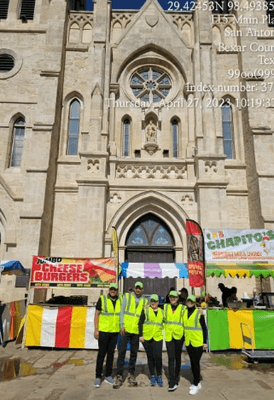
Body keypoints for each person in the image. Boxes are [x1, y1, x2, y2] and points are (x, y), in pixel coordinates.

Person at [113, 281, 148, 389]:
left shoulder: (144, 301)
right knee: (122, 352)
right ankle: (119, 376)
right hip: (126, 329)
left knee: (134, 354)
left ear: (142, 289)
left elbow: (145, 315)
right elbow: (122, 311)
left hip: (136, 331)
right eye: (136, 287)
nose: (138, 289)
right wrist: (122, 325)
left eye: (140, 288)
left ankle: (131, 375)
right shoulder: (127, 297)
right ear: (134, 288)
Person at [94, 282, 121, 388]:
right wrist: (96, 330)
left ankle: (108, 375)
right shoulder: (102, 299)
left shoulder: (120, 299)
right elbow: (96, 314)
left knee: (111, 354)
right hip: (104, 331)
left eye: (115, 289)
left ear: (117, 290)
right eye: (111, 289)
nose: (113, 291)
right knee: (101, 354)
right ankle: (97, 376)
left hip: (114, 331)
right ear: (109, 290)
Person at [183, 295, 207, 396]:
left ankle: (196, 383)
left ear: (195, 303)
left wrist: (205, 342)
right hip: (189, 341)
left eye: (192, 301)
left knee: (195, 362)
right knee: (192, 362)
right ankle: (197, 380)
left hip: (197, 341)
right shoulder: (184, 312)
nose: (190, 303)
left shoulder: (198, 313)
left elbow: (204, 328)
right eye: (189, 301)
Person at [139, 294, 164, 387]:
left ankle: (159, 376)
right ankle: (152, 375)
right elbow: (140, 323)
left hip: (157, 337)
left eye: (155, 301)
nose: (153, 303)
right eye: (152, 301)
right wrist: (140, 335)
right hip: (147, 337)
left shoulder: (162, 312)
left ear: (158, 302)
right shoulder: (145, 310)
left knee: (158, 357)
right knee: (150, 357)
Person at [164, 290, 185, 392]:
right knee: (171, 358)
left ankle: (177, 378)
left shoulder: (182, 308)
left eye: (175, 297)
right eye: (171, 297)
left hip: (179, 336)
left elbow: (187, 319)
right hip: (169, 336)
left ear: (178, 298)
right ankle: (172, 381)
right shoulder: (165, 307)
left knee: (178, 357)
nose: (173, 298)